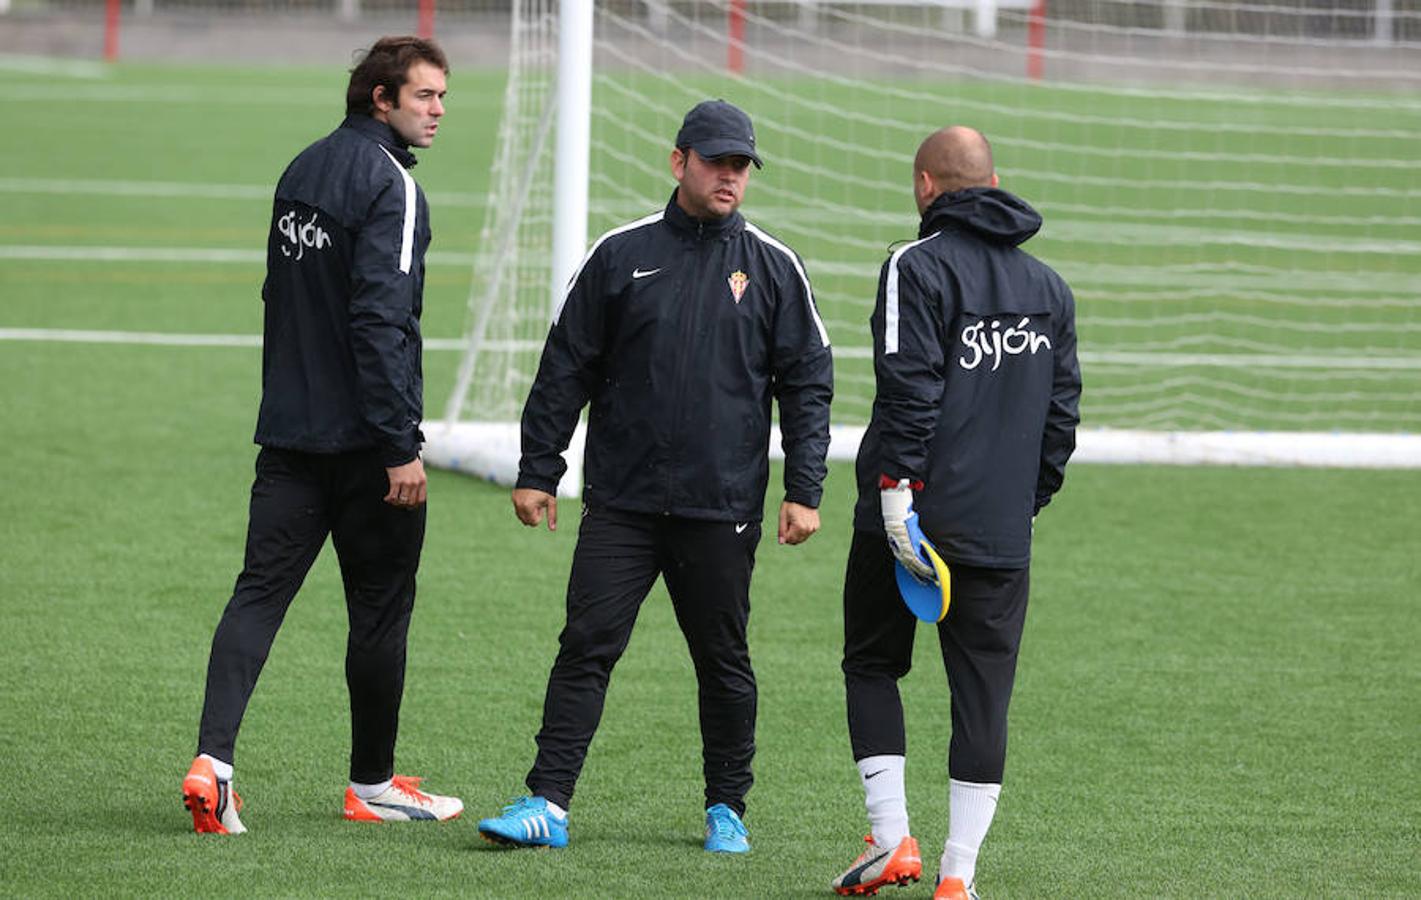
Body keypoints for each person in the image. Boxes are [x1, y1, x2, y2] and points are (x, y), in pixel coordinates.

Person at [475, 99, 834, 854]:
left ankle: (725, 809)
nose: (730, 178)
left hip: (720, 506)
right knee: (586, 645)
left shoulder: (773, 266)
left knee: (722, 660)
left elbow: (806, 382)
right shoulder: (620, 254)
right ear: (679, 162)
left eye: (741, 166)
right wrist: (539, 467)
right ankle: (546, 801)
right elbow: (564, 366)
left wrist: (805, 489)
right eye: (716, 163)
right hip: (622, 503)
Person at [180, 36, 462, 835]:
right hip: (369, 454)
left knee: (256, 596)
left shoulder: (300, 169)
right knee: (379, 613)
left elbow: (281, 293)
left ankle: (214, 764)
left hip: (289, 438)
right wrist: (399, 445)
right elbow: (380, 320)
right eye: (425, 96)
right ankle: (371, 785)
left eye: (441, 98)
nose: (438, 112)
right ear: (381, 98)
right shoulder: (394, 188)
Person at [830, 126, 1081, 898]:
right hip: (1000, 530)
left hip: (907, 519)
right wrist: (1025, 505)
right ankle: (956, 879)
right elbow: (1061, 415)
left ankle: (890, 838)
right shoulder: (1048, 287)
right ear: (995, 182)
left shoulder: (915, 265)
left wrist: (898, 499)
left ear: (924, 187)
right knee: (983, 698)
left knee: (872, 663)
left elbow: (909, 386)